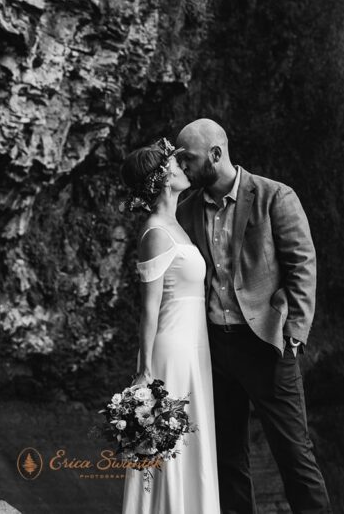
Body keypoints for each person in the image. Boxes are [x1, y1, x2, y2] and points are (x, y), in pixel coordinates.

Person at [174, 118, 331, 514]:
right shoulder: (187, 209)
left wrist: (295, 331)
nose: (182, 168)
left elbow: (302, 266)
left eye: (187, 159)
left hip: (267, 346)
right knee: (227, 459)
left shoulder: (275, 196)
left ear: (215, 154)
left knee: (295, 456)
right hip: (216, 351)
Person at [120, 137, 220, 513]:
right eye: (174, 165)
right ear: (162, 178)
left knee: (191, 440)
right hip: (172, 353)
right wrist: (145, 372)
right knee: (170, 444)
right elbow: (149, 309)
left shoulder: (174, 225)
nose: (182, 167)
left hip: (194, 349)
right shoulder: (156, 232)